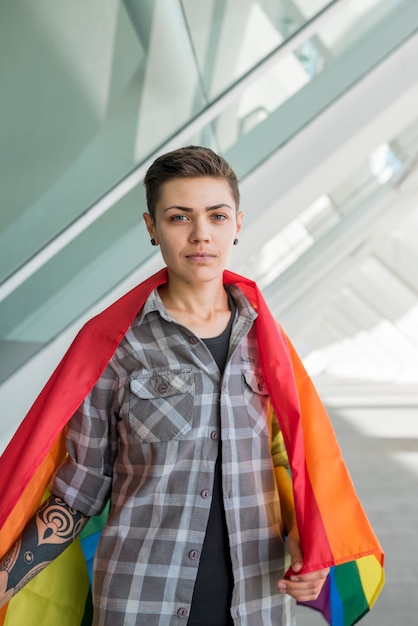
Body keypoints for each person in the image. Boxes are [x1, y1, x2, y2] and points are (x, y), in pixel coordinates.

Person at [0, 145, 340, 626]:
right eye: (180, 217)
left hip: (257, 606)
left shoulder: (269, 343)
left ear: (237, 224)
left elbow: (287, 466)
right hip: (139, 603)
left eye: (216, 216)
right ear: (151, 227)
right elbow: (78, 493)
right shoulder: (115, 345)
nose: (201, 234)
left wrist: (306, 544)